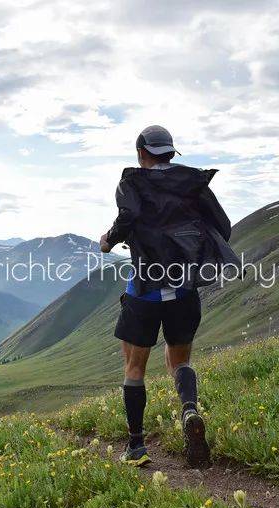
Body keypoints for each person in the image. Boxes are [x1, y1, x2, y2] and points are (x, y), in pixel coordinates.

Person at [99, 125, 238, 468]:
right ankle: (189, 409)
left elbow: (128, 216)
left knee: (133, 366)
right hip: (185, 288)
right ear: (171, 153)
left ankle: (135, 448)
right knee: (180, 361)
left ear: (141, 153)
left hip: (145, 288)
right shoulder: (193, 182)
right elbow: (223, 224)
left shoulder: (132, 182)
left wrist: (109, 240)